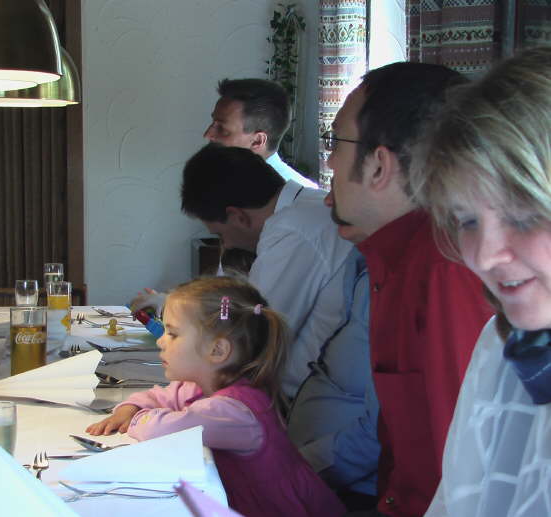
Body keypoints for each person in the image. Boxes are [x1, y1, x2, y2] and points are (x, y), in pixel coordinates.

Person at [326, 62, 494, 517]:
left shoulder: (444, 269)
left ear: (379, 165)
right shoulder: (394, 257)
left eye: (335, 143)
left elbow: (466, 478)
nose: (330, 164)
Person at [410, 46, 551, 517]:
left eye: (524, 215)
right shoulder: (505, 346)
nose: (486, 256)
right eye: (467, 220)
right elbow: (454, 502)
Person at [87, 276, 346, 517]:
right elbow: (159, 396)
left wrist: (137, 417)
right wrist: (129, 408)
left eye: (173, 334)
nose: (160, 341)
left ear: (217, 350)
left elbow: (161, 429)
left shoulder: (233, 412)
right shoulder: (199, 387)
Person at [181, 143, 352, 398]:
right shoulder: (305, 206)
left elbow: (247, 335)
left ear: (238, 216)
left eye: (221, 235)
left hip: (298, 403)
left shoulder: (291, 229)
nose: (227, 245)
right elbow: (226, 303)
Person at [288, 186, 380, 512]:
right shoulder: (361, 256)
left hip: (347, 489)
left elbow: (382, 429)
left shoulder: (288, 228)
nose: (327, 199)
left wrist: (290, 474)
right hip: (307, 457)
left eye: (338, 181)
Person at [204, 78, 318, 189]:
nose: (207, 135)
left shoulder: (302, 196)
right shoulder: (218, 176)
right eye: (213, 122)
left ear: (257, 141)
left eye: (222, 129)